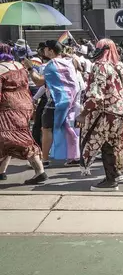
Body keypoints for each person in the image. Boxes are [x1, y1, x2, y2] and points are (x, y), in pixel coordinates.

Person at [78, 39, 123, 191]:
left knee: (104, 144)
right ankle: (116, 172)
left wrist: (83, 113)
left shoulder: (100, 66)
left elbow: (96, 95)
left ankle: (110, 179)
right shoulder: (120, 65)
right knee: (116, 142)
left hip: (107, 111)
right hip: (122, 109)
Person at [28, 40, 81, 169]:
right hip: (71, 101)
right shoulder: (69, 63)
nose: (44, 51)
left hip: (55, 102)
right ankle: (74, 156)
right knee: (68, 128)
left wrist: (30, 68)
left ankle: (44, 159)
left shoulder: (50, 65)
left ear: (51, 51)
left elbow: (38, 82)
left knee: (46, 129)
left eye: (46, 49)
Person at [0, 44, 46, 184]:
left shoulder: (1, 68)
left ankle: (40, 171)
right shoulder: (19, 66)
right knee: (9, 137)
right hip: (24, 104)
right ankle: (1, 172)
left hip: (9, 107)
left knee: (16, 137)